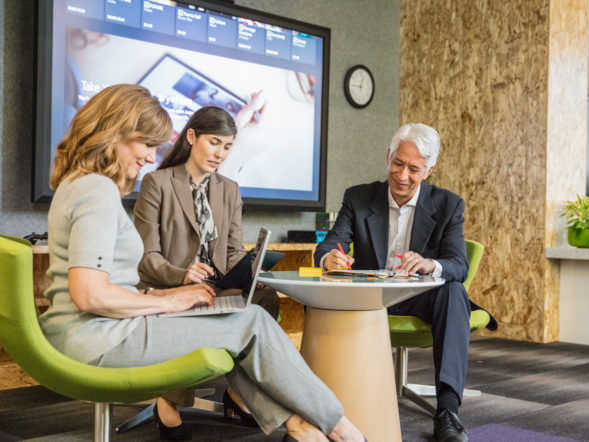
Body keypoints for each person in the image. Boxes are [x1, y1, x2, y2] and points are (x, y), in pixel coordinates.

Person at [39, 84, 365, 442]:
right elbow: (89, 295)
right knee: (250, 321)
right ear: (114, 131)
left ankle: (300, 426)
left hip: (90, 331)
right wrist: (167, 299)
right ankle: (341, 428)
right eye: (146, 144)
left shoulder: (78, 184)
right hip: (98, 338)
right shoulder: (97, 191)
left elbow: (93, 287)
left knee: (243, 315)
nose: (150, 157)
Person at [314, 123, 496, 442]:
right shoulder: (358, 198)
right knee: (318, 294)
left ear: (428, 170)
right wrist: (329, 258)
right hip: (369, 295)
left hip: (416, 293)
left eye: (414, 169)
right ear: (388, 157)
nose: (402, 176)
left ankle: (448, 412)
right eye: (398, 163)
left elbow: (458, 265)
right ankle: (319, 406)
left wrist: (430, 264)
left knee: (453, 290)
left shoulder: (447, 205)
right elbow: (329, 245)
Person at [133, 105, 280, 426]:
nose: (221, 154)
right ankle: (169, 400)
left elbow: (231, 252)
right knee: (195, 299)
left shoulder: (230, 190)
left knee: (265, 298)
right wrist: (182, 274)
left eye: (227, 147)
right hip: (171, 286)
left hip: (215, 284)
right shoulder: (156, 183)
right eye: (214, 142)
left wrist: (251, 270)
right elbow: (147, 257)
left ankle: (238, 394)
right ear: (191, 137)